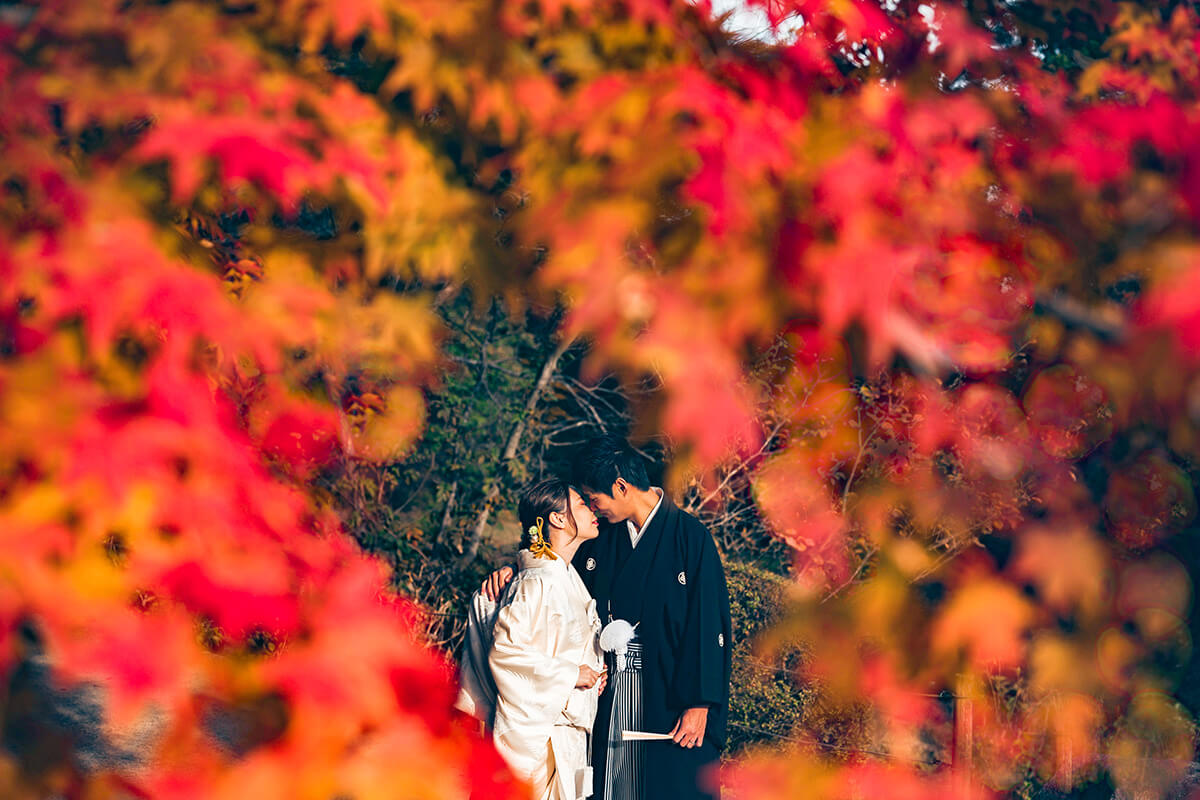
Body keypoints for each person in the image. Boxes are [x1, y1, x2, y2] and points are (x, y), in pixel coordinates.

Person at [483, 436, 732, 800]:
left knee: (671, 786)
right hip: (611, 691)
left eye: (594, 499)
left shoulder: (689, 537)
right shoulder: (601, 539)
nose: (593, 509)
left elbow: (710, 626)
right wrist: (514, 570)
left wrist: (700, 702)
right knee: (612, 785)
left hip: (671, 692)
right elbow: (557, 573)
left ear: (621, 487)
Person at [457, 478, 607, 800]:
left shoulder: (565, 577)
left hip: (565, 738)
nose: (591, 507)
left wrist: (592, 676)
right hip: (539, 740)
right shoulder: (537, 582)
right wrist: (571, 675)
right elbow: (506, 653)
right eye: (580, 503)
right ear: (557, 518)